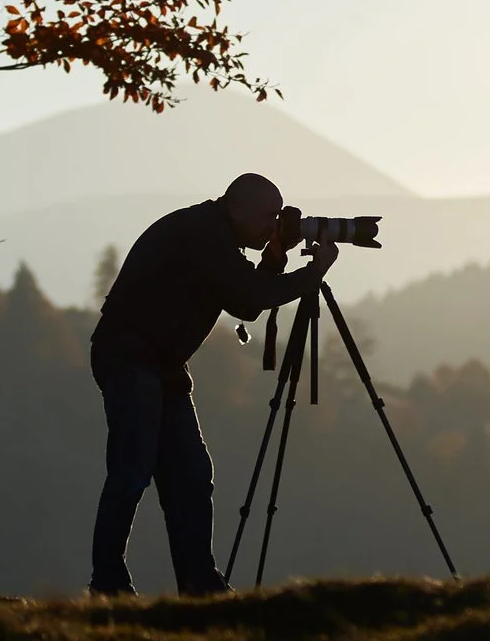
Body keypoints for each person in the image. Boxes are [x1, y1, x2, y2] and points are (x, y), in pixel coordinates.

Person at [88, 171, 337, 595]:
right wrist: (311, 274)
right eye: (267, 216)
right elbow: (250, 298)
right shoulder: (202, 236)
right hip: (131, 358)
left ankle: (199, 583)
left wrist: (275, 257)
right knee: (132, 469)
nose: (273, 225)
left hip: (160, 366)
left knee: (190, 474)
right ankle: (110, 584)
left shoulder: (212, 232)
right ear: (235, 207)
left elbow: (245, 297)